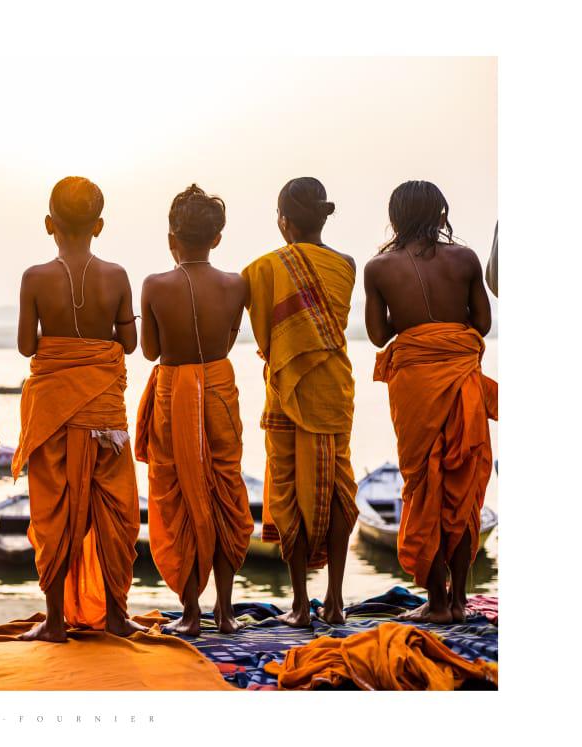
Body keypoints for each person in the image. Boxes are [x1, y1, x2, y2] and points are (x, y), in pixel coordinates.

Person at [12, 176, 144, 642]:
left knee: (54, 514)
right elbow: (130, 343)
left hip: (53, 413)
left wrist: (61, 342)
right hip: (106, 417)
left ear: (49, 224)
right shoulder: (117, 276)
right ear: (99, 225)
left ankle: (54, 621)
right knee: (114, 514)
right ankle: (116, 615)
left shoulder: (34, 278)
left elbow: (26, 345)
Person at [364, 180, 496, 623]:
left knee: (424, 487)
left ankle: (436, 602)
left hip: (414, 389)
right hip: (462, 382)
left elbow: (378, 335)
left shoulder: (378, 268)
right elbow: (481, 323)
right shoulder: (465, 259)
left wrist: (415, 327)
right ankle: (458, 601)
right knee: (462, 488)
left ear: (395, 218)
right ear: (441, 215)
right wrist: (447, 329)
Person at [135, 185, 253, 635]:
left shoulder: (155, 285)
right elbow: (227, 341)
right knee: (224, 490)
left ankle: (189, 612)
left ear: (172, 238)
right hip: (219, 387)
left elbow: (150, 352)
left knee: (180, 496)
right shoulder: (236, 284)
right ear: (217, 238)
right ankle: (225, 611)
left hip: (173, 392)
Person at [242, 177, 358, 627]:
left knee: (286, 490)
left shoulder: (264, 268)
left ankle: (300, 605)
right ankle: (335, 600)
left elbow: (261, 329)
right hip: (333, 391)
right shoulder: (346, 264)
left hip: (285, 392)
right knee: (339, 489)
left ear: (283, 221)